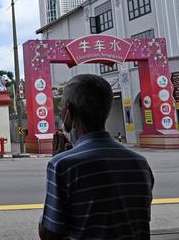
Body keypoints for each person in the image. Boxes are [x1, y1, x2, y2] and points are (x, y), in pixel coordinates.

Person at [39, 74, 154, 240]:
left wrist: (58, 160)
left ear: (69, 112)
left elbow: (49, 234)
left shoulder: (63, 165)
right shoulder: (140, 163)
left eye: (61, 107)